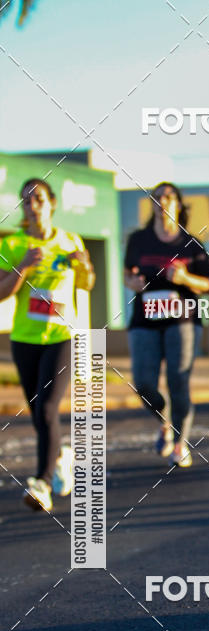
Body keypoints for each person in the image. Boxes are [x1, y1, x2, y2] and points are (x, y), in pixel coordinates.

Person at [0, 178, 95, 512]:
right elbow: (2, 292)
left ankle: (41, 483)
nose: (33, 205)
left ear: (52, 203)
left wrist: (84, 266)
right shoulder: (13, 245)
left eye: (38, 198)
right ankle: (61, 457)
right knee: (38, 415)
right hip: (25, 338)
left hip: (61, 337)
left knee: (48, 408)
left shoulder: (69, 241)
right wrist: (23, 266)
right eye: (26, 201)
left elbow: (87, 283)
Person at [124, 182, 209, 467]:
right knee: (143, 383)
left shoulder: (192, 243)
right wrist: (133, 283)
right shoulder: (138, 239)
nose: (162, 202)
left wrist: (186, 278)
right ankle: (165, 421)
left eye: (168, 197)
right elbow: (128, 275)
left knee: (178, 380)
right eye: (157, 198)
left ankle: (180, 442)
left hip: (182, 319)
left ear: (177, 203)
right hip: (145, 318)